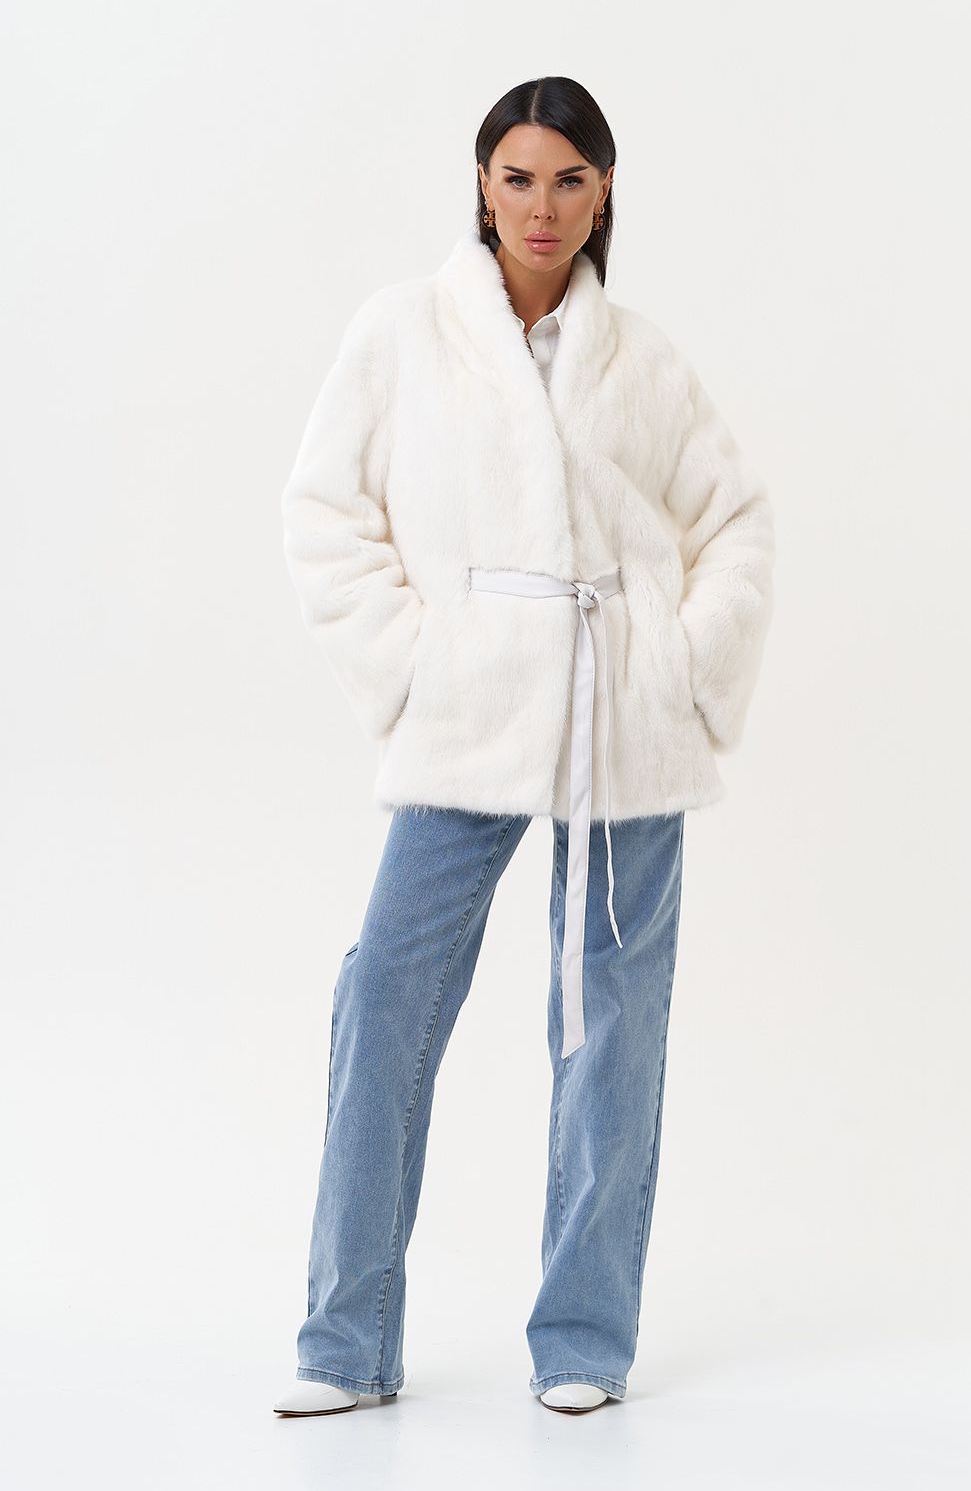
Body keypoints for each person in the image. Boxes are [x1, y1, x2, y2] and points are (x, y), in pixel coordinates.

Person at [273, 76, 774, 1417]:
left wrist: (683, 667)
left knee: (613, 1026)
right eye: (516, 178)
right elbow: (325, 512)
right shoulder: (401, 333)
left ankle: (585, 1341)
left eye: (568, 181)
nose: (540, 208)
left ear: (603, 193)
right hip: (471, 705)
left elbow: (734, 520)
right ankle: (345, 1342)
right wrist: (413, 664)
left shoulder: (644, 360)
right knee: (385, 997)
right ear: (481, 185)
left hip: (625, 714)